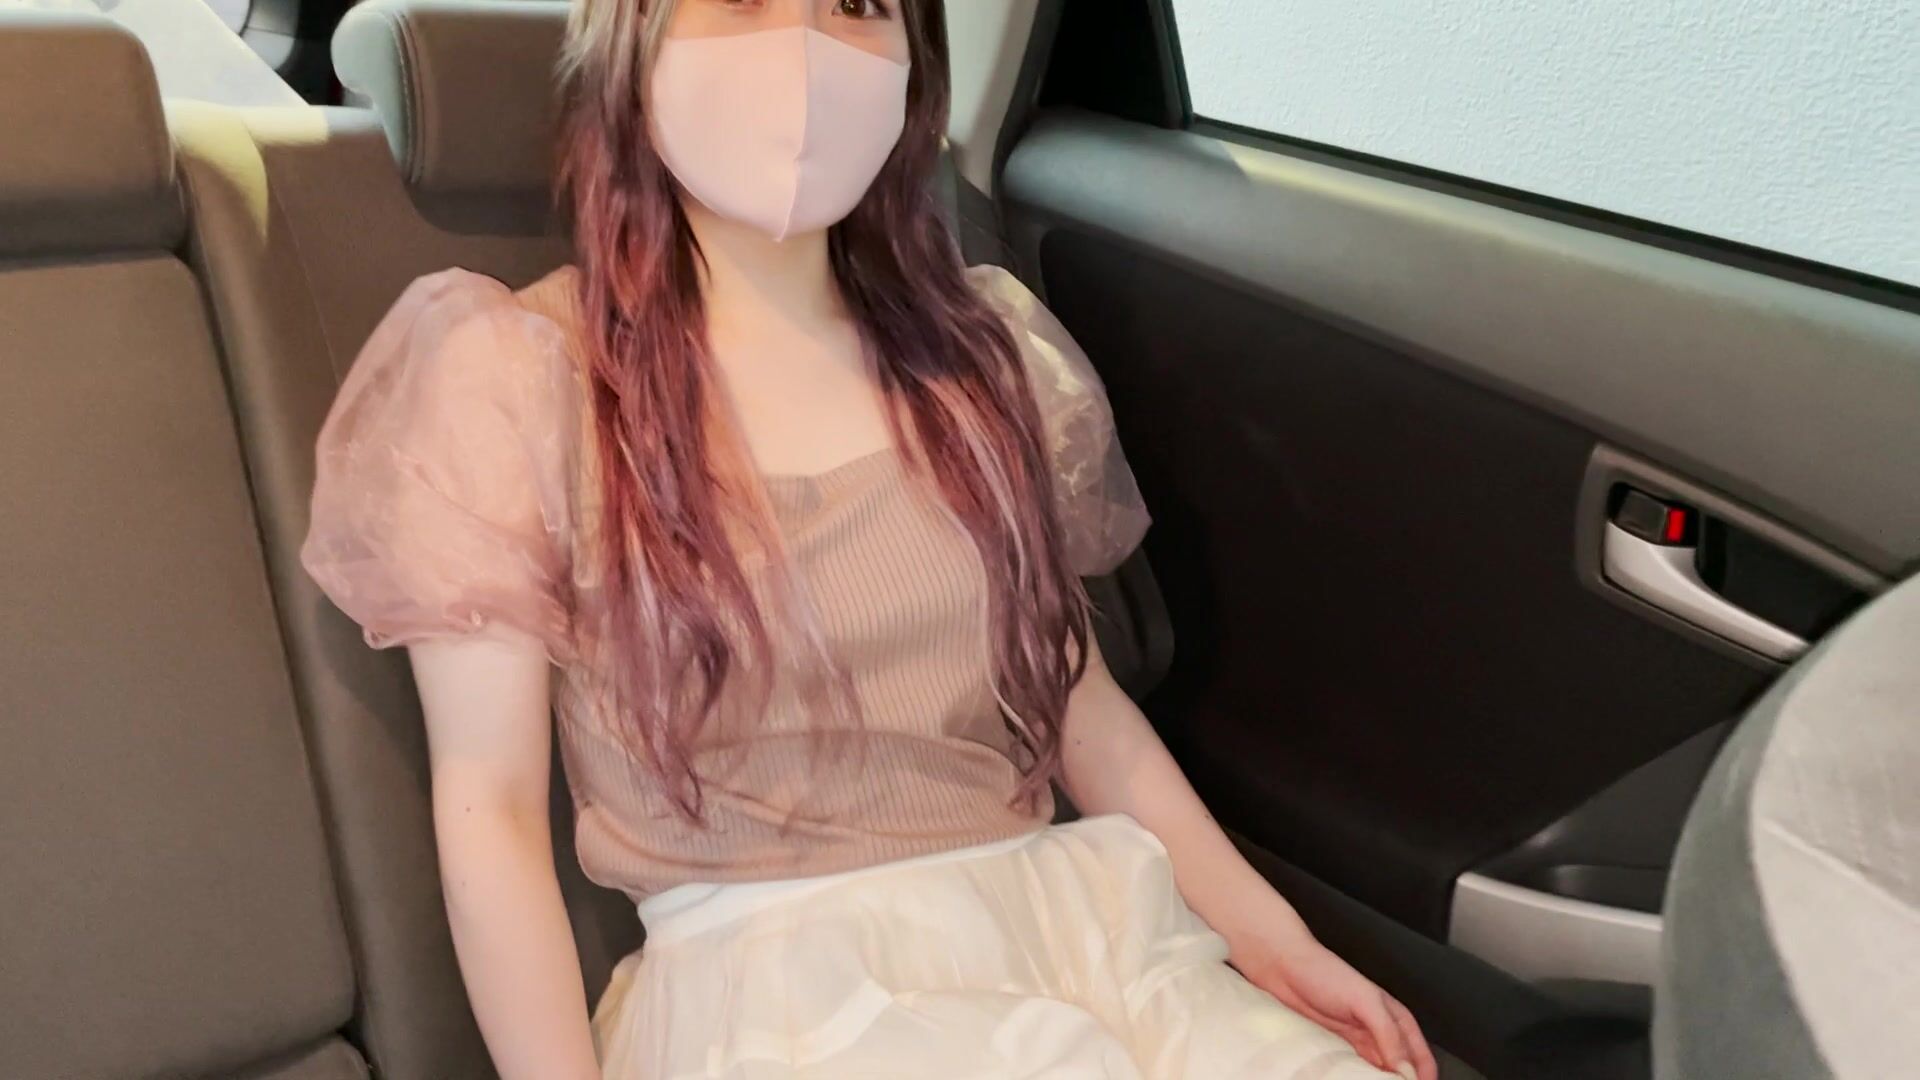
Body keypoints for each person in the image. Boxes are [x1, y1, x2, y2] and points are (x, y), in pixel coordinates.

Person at [300, 1, 1437, 1077]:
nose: (805, 48)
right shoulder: (517, 379)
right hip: (771, 986)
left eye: (857, 3)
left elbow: (1075, 704)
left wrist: (1273, 942)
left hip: (1081, 928)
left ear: (913, 63)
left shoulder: (983, 359)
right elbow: (492, 817)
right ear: (632, 40)